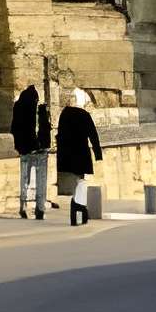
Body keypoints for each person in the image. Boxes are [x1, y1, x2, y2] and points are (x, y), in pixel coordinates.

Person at [57, 87, 103, 225]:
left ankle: (77, 210)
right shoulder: (84, 115)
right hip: (81, 152)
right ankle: (80, 208)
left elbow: (60, 135)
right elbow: (93, 135)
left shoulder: (64, 114)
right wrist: (98, 154)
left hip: (67, 154)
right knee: (81, 180)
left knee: (75, 181)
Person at [9, 83, 52, 220]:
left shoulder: (18, 107)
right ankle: (40, 208)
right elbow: (45, 128)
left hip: (24, 148)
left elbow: (13, 128)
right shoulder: (40, 109)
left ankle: (23, 206)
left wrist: (18, 145)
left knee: (24, 179)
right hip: (40, 149)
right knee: (41, 180)